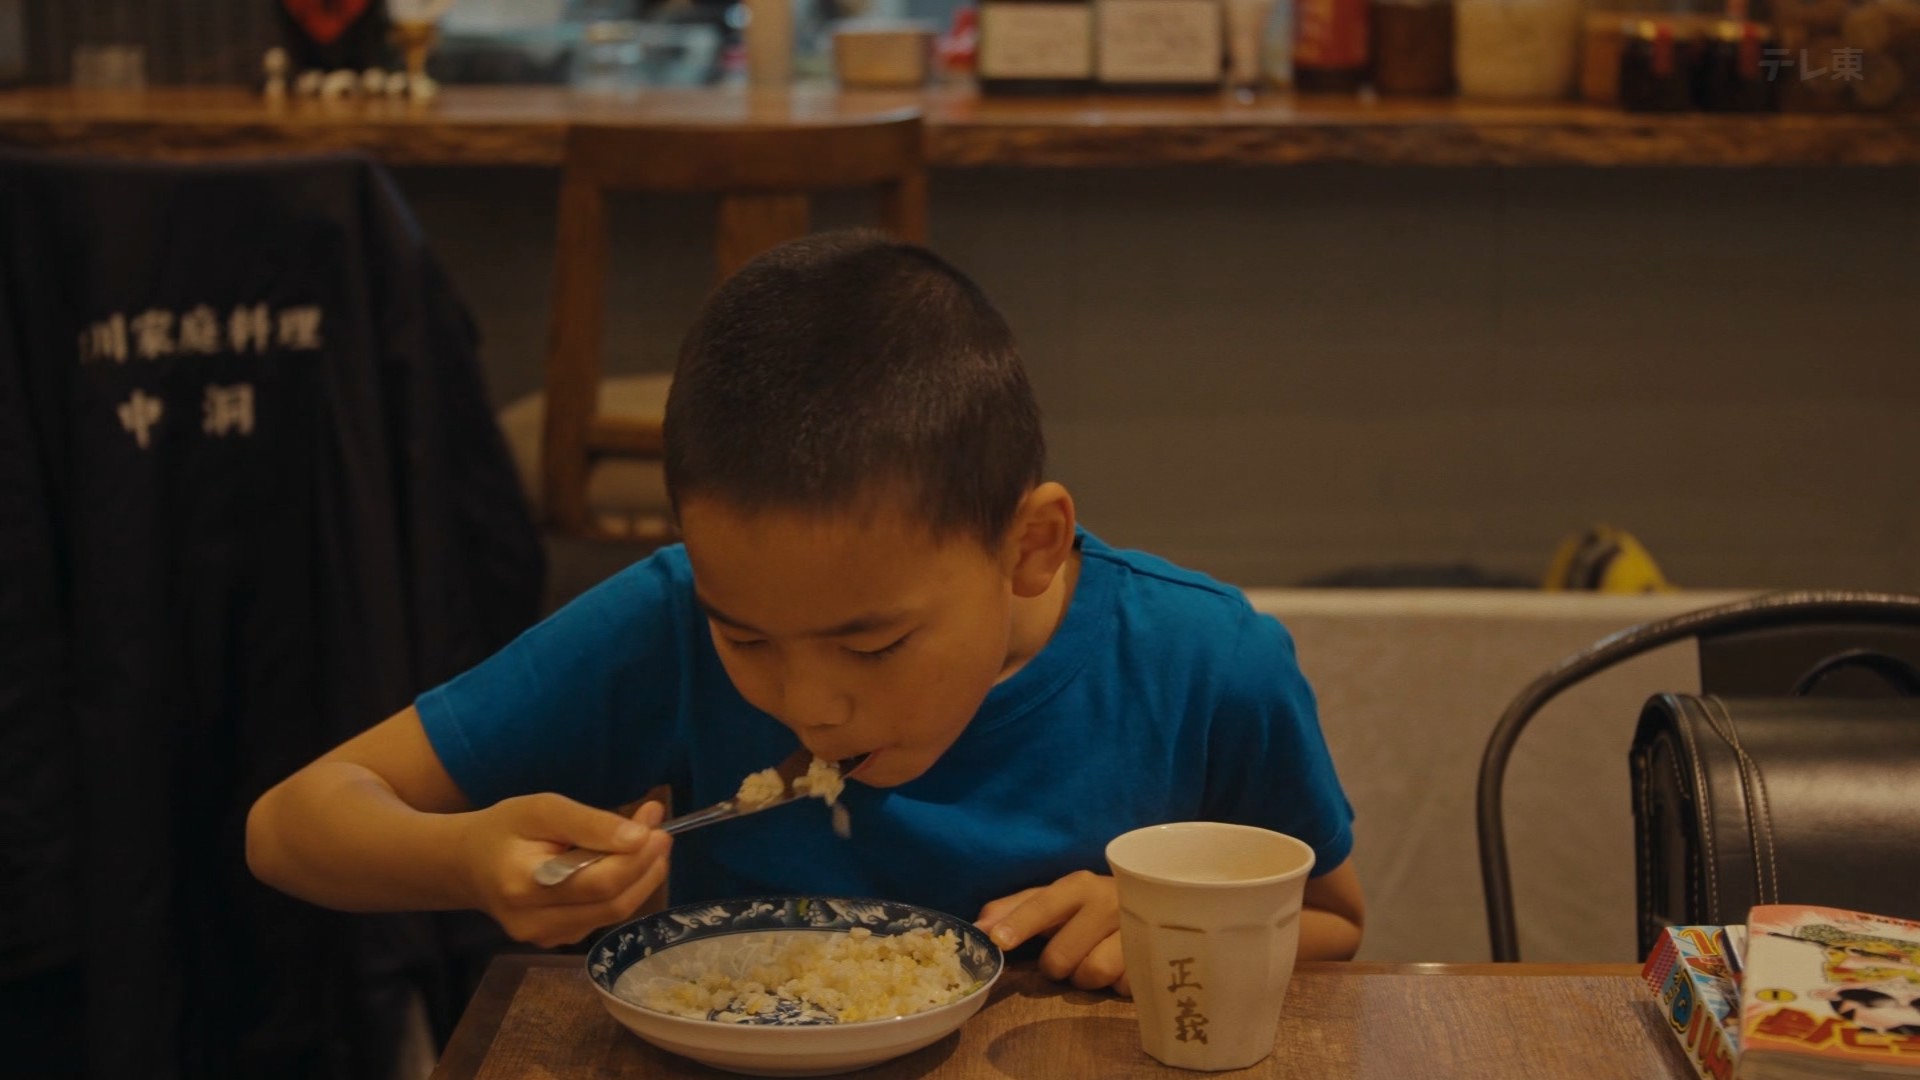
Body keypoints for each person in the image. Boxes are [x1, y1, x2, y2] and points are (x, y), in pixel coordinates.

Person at [246, 230, 1365, 993]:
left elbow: (1337, 924)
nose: (811, 705)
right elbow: (291, 825)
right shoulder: (669, 620)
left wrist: (1182, 925)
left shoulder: (1204, 664)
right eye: (746, 639)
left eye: (872, 644)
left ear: (1029, 546)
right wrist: (465, 860)